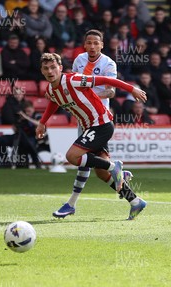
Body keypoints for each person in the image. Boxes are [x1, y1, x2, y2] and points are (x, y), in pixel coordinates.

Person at [37, 52, 148, 220]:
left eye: (53, 67)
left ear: (60, 68)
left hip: (101, 125)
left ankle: (113, 167)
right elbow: (54, 101)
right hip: (91, 127)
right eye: (46, 68)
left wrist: (131, 88)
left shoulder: (73, 80)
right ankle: (135, 201)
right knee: (101, 173)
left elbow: (105, 80)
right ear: (42, 71)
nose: (50, 71)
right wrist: (42, 122)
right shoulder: (51, 89)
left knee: (73, 156)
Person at [53, 30, 131, 219]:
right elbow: (74, 84)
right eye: (89, 43)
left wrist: (88, 98)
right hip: (84, 117)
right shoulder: (79, 60)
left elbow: (111, 91)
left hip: (98, 118)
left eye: (96, 43)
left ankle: (71, 204)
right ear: (85, 44)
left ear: (102, 45)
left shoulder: (108, 63)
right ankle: (135, 200)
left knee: (81, 160)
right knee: (101, 171)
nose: (93, 46)